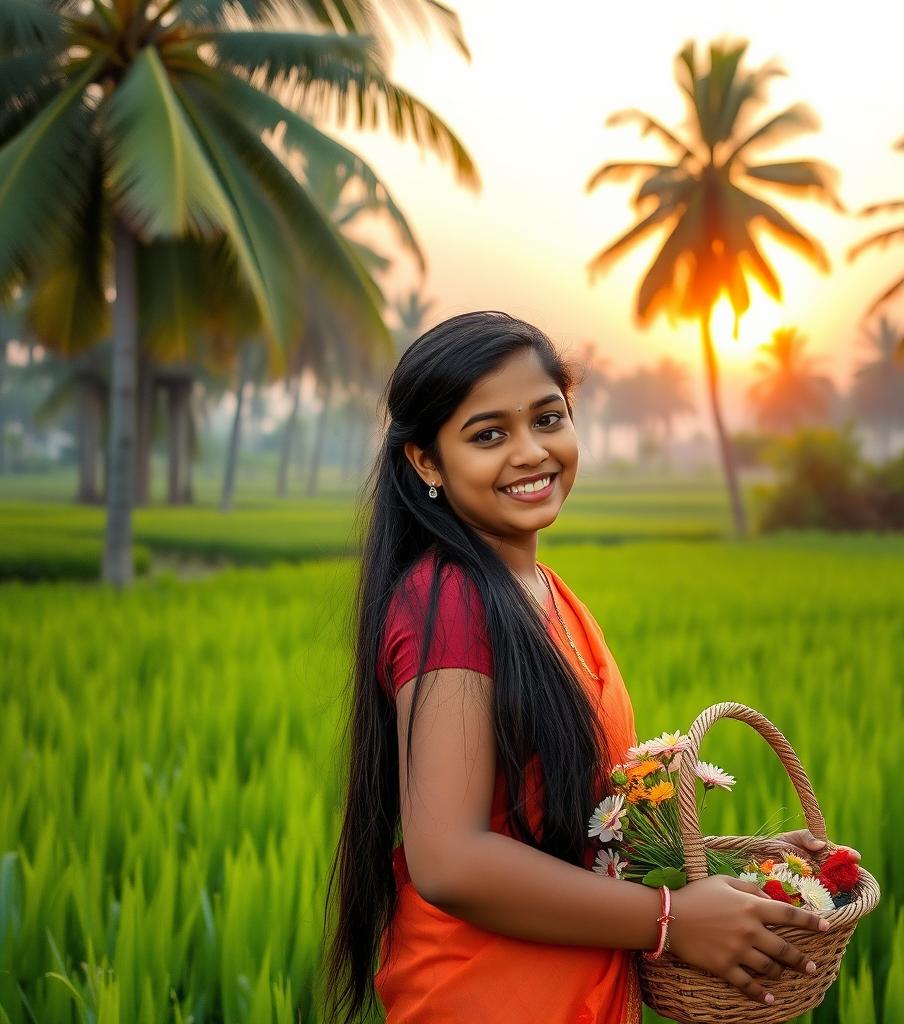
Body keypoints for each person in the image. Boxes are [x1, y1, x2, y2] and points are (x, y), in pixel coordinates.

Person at [320, 311, 860, 1023]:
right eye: (488, 435)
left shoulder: (548, 598)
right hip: (490, 998)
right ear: (426, 461)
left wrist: (737, 874)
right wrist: (669, 918)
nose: (530, 452)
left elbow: (571, 828)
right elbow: (449, 860)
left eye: (548, 419)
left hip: (579, 988)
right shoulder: (449, 602)